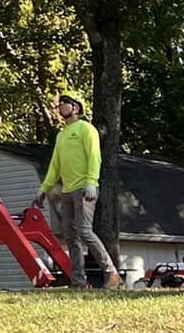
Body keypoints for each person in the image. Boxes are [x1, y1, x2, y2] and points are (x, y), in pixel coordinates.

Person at [35, 93, 122, 290]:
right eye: (60, 104)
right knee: (71, 236)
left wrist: (91, 182)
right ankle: (78, 282)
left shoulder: (86, 129)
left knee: (84, 230)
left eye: (65, 103)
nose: (61, 107)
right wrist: (43, 190)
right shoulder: (61, 135)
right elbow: (55, 166)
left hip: (85, 189)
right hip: (67, 190)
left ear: (76, 107)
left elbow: (94, 156)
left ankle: (111, 273)